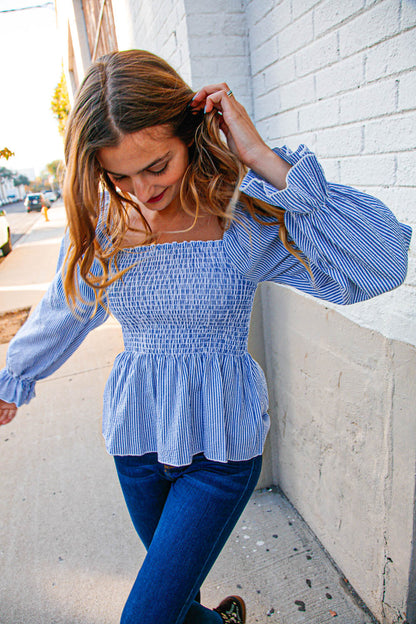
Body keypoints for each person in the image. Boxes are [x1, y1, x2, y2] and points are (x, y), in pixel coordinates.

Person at [0, 50, 412, 624]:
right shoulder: (106, 226)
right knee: (179, 605)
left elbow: (379, 261)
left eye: (156, 166)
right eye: (119, 175)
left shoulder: (242, 217)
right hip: (137, 443)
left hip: (220, 449)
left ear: (190, 135)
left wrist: (262, 159)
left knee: (145, 617)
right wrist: (12, 378)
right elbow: (64, 311)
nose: (142, 189)